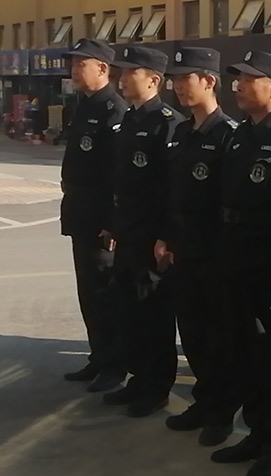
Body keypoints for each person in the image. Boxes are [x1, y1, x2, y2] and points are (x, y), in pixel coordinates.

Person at [207, 50, 271, 476]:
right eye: (238, 79)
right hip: (238, 258)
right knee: (245, 350)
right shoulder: (242, 134)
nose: (240, 86)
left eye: (250, 79)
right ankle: (256, 432)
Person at [156, 47, 238, 446]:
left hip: (215, 253)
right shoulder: (183, 132)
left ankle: (222, 411)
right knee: (191, 333)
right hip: (184, 250)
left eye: (184, 78)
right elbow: (174, 194)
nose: (177, 86)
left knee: (218, 337)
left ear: (209, 81)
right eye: (174, 79)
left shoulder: (228, 135)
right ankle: (204, 402)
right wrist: (166, 237)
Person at [101, 46, 185, 418]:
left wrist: (166, 236)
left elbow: (172, 189)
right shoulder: (129, 120)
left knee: (153, 314)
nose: (122, 78)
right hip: (128, 232)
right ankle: (138, 378)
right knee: (129, 310)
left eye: (130, 72)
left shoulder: (168, 123)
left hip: (151, 237)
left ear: (153, 79)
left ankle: (156, 385)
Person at [60, 39, 128, 393]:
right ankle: (99, 356)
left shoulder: (112, 108)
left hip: (100, 221)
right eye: (73, 64)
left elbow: (117, 173)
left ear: (102, 68)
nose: (73, 70)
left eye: (80, 64)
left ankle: (114, 365)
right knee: (88, 292)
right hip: (81, 215)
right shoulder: (85, 105)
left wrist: (112, 222)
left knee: (105, 294)